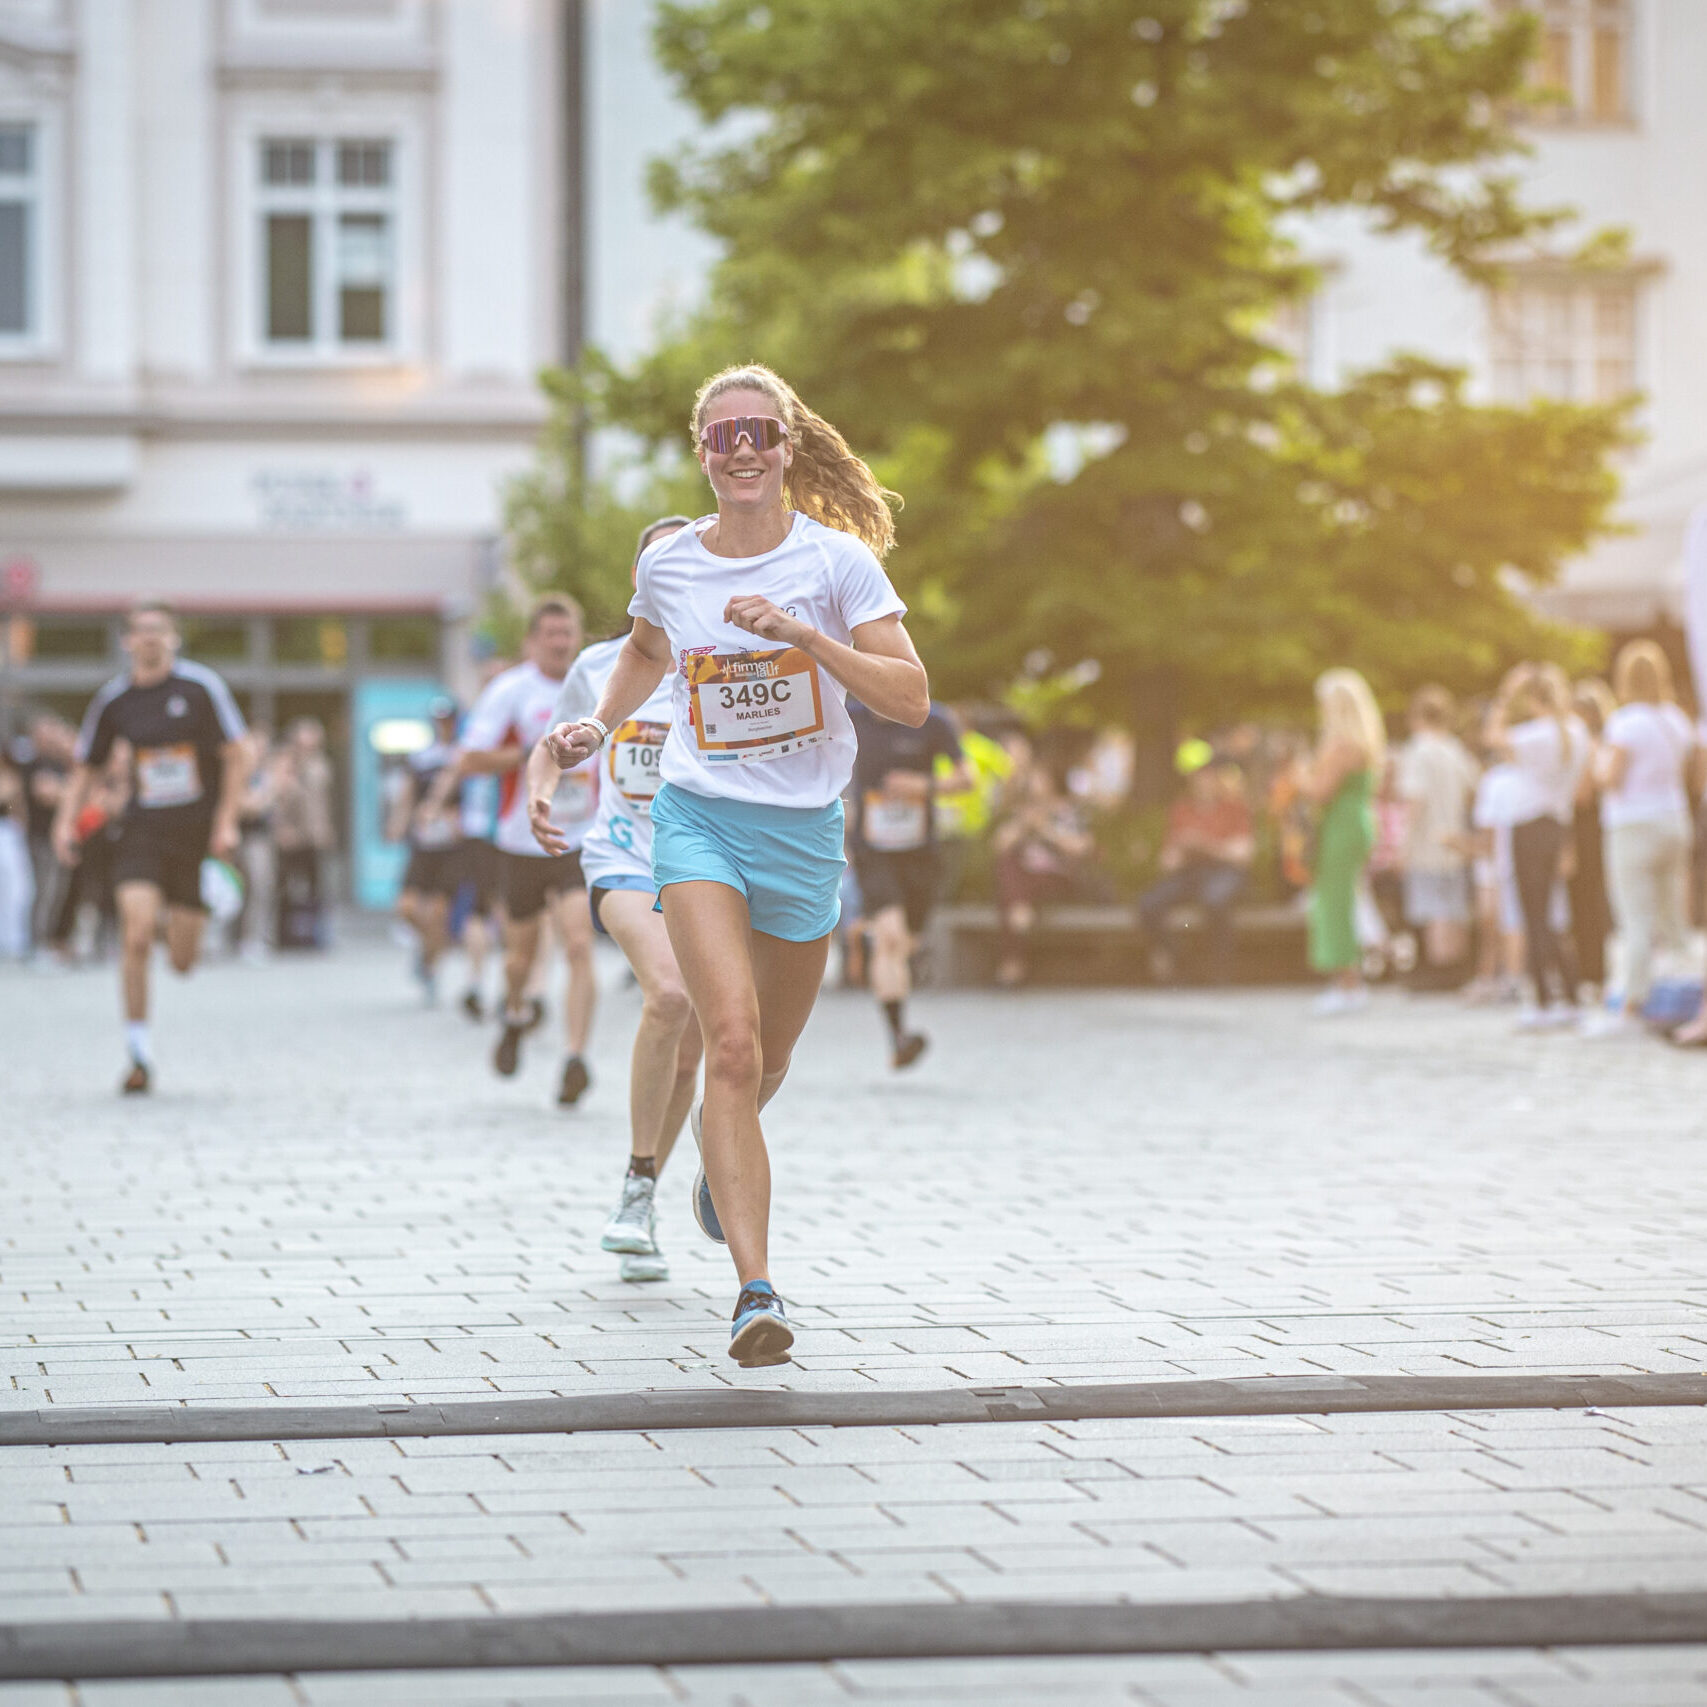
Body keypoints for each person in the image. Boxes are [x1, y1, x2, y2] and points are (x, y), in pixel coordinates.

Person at [542, 363, 929, 1367]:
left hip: (803, 833)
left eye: (759, 431)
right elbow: (642, 652)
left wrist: (805, 637)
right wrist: (599, 724)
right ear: (703, 453)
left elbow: (910, 696)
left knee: (770, 1061)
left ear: (787, 446)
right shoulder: (671, 565)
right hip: (698, 818)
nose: (743, 449)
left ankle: (723, 1155)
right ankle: (756, 1292)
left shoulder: (837, 563)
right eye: (724, 436)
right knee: (732, 1043)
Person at [527, 515, 699, 1282]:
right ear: (639, 577)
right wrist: (540, 794)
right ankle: (637, 1181)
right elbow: (553, 746)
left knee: (694, 1044)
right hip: (623, 855)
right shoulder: (600, 665)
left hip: (709, 860)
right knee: (669, 994)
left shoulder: (723, 655)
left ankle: (651, 1193)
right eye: (657, 560)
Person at [52, 602, 248, 1092]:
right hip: (141, 831)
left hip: (194, 834)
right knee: (135, 936)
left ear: (173, 637)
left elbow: (237, 754)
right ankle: (138, 1054)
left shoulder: (201, 688)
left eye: (158, 630)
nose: (149, 638)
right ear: (127, 642)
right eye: (140, 631)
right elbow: (87, 766)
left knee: (183, 961)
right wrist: (66, 821)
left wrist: (226, 821)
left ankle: (181, 921)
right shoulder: (115, 700)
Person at [442, 596, 598, 1100]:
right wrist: (534, 755)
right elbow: (467, 759)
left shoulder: (597, 684)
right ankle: (513, 1013)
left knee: (579, 944)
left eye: (567, 633)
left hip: (581, 838)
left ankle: (575, 1057)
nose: (560, 642)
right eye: (550, 634)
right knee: (518, 959)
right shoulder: (512, 690)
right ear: (532, 641)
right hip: (520, 840)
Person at [847, 695, 970, 1065]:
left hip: (920, 854)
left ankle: (892, 958)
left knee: (906, 942)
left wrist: (922, 785)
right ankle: (899, 1037)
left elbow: (966, 779)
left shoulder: (932, 720)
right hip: (872, 850)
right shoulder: (849, 715)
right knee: (890, 937)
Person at [1583, 641, 1696, 1039]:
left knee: (1635, 919)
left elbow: (1610, 778)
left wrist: (1595, 758)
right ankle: (1687, 1000)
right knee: (1673, 918)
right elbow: (1691, 775)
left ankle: (1631, 1006)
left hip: (1633, 824)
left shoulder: (1626, 722)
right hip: (1674, 819)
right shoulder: (1677, 720)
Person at [1485, 663, 1590, 1030]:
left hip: (1529, 827)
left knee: (1534, 916)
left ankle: (1544, 999)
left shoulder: (1535, 734)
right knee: (1552, 915)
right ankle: (1570, 995)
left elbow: (1493, 737)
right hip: (1556, 825)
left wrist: (1505, 695)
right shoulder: (1575, 731)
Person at [1301, 668, 1383, 1015]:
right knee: (1345, 899)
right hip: (1355, 822)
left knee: (1334, 902)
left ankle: (1347, 983)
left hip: (1340, 825)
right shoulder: (1364, 743)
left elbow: (1319, 792)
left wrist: (1298, 778)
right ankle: (1349, 981)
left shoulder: (1341, 744)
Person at [1136, 751, 1254, 985]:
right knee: (1148, 903)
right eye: (1200, 777)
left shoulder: (1234, 808)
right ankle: (1178, 958)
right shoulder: (1181, 809)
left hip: (1224, 872)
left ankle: (1219, 969)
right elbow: (1166, 861)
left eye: (1209, 777)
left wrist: (1206, 845)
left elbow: (1243, 854)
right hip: (1188, 872)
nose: (1204, 782)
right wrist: (1182, 849)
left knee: (1215, 899)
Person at [990, 758, 1104, 988]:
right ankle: (1020, 914)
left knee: (1012, 893)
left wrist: (1045, 829)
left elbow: (1082, 847)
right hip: (1024, 880)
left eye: (1038, 777)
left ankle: (1013, 964)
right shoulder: (1024, 813)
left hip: (1057, 878)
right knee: (1008, 865)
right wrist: (1023, 825)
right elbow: (998, 845)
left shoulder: (1068, 811)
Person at [1396, 686, 1479, 988]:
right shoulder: (1456, 750)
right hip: (1455, 840)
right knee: (1453, 906)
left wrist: (1403, 842)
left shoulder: (1418, 750)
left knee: (1433, 908)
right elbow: (1473, 792)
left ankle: (1439, 968)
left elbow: (1415, 799)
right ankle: (1456, 966)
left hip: (1426, 842)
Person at [391, 697, 465, 1004]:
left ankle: (431, 968)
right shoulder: (422, 757)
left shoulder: (465, 753)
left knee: (438, 913)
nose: (443, 725)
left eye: (448, 719)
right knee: (407, 908)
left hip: (452, 846)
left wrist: (459, 819)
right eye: (439, 720)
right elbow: (408, 794)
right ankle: (428, 949)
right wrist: (398, 823)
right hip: (423, 843)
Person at [1567, 679, 1616, 1000]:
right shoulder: (1609, 742)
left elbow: (1582, 794)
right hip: (1597, 829)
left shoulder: (1590, 745)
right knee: (1592, 901)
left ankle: (1593, 972)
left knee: (1587, 902)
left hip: (1586, 830)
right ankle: (1593, 971)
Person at [271, 718, 335, 950]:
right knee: (286, 887)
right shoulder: (286, 763)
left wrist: (326, 828)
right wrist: (281, 828)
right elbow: (277, 800)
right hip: (291, 836)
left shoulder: (321, 765)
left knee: (316, 887)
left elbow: (323, 802)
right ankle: (285, 935)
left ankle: (315, 935)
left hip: (315, 835)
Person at [0, 748, 33, 959]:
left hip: (10, 834)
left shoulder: (12, 777)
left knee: (20, 888)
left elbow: (20, 809)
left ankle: (16, 939)